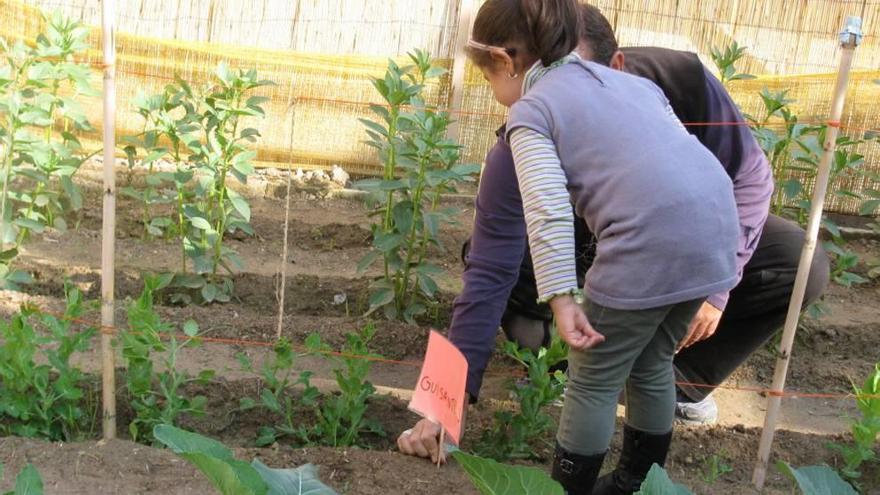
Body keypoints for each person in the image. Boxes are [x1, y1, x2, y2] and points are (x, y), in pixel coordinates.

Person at [398, 0, 830, 488]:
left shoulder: (533, 112)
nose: (499, 97)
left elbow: (549, 214)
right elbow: (490, 269)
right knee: (651, 363)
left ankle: (570, 487)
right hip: (711, 236)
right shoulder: (637, 87)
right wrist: (445, 403)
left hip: (643, 244)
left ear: (505, 60)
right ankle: (637, 482)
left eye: (490, 81)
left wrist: (562, 300)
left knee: (593, 377)